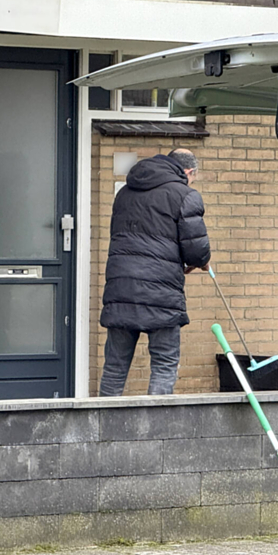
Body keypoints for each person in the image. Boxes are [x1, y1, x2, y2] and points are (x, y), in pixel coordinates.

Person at [99, 148, 211, 396]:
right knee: (163, 365)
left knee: (115, 368)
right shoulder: (185, 195)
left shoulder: (124, 194)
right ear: (189, 171)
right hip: (161, 293)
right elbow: (196, 251)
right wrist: (201, 261)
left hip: (121, 289)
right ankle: (155, 432)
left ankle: (104, 429)